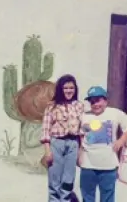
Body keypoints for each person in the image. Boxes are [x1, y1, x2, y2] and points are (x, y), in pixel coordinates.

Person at [78, 86, 127, 202]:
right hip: (88, 165)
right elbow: (81, 136)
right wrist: (80, 154)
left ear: (105, 100)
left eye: (98, 100)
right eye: (92, 101)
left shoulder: (114, 113)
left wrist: (121, 140)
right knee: (87, 196)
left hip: (108, 165)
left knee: (108, 197)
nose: (95, 104)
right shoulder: (84, 116)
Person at [40, 74, 84, 202]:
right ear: (60, 89)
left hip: (73, 143)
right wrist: (48, 151)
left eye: (71, 88)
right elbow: (45, 129)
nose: (69, 91)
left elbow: (82, 129)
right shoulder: (51, 106)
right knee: (55, 181)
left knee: (68, 180)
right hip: (56, 144)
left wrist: (81, 151)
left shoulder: (79, 106)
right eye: (66, 88)